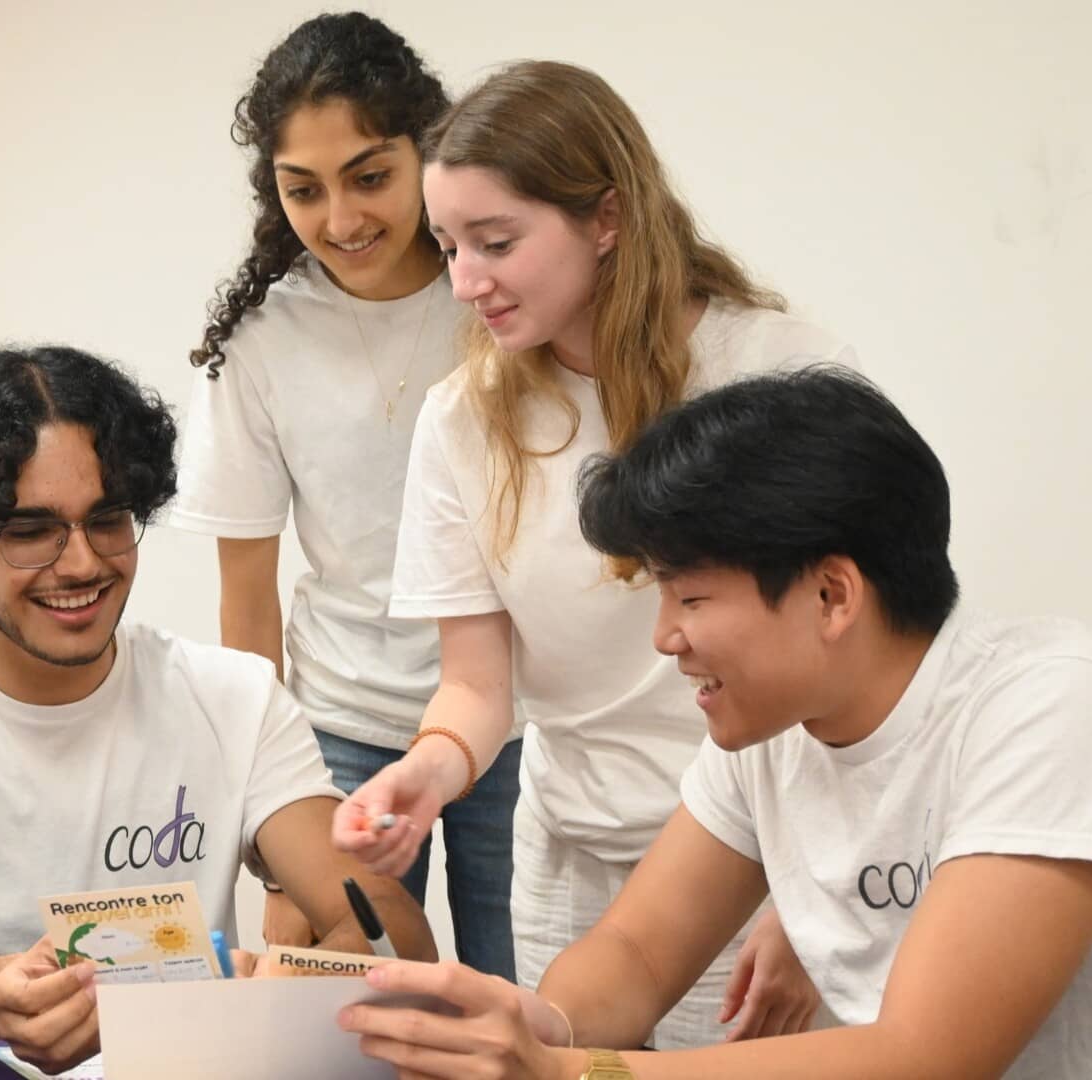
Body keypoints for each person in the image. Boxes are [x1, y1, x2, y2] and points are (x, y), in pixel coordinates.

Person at [338, 366, 1092, 1079]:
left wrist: (571, 1071)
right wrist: (536, 1021)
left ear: (831, 595)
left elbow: (926, 1059)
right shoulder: (776, 733)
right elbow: (636, 951)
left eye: (691, 595)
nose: (665, 636)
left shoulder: (1054, 707)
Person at [0, 346, 434, 1073]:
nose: (83, 562)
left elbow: (391, 934)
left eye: (109, 519)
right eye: (31, 532)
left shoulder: (235, 700)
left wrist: (283, 996)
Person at [335, 60, 851, 1046]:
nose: (463, 282)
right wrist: (426, 772)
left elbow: (862, 664)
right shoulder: (462, 421)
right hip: (569, 847)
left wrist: (810, 889)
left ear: (606, 219)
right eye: (447, 246)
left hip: (757, 858)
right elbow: (478, 688)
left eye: (495, 242)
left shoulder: (780, 375)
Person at [171, 11, 519, 975]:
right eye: (303, 190)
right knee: (345, 1005)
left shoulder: (502, 298)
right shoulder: (260, 342)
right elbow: (248, 603)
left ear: (429, 153)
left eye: (371, 176)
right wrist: (274, 810)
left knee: (520, 991)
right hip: (341, 727)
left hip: (518, 720)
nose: (342, 219)